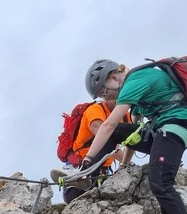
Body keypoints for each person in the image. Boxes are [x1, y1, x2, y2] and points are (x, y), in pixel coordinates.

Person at [79, 58, 187, 214]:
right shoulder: (136, 95)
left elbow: (109, 125)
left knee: (160, 181)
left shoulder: (135, 81)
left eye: (104, 93)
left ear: (113, 77)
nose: (106, 99)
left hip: (176, 125)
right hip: (161, 130)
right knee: (120, 132)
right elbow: (132, 135)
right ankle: (89, 177)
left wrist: (86, 159)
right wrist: (123, 167)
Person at [51, 71, 135, 202]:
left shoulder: (126, 116)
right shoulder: (95, 110)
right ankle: (79, 176)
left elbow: (133, 140)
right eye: (109, 96)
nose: (113, 98)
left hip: (102, 174)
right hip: (81, 172)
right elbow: (106, 136)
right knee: (108, 135)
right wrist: (128, 163)